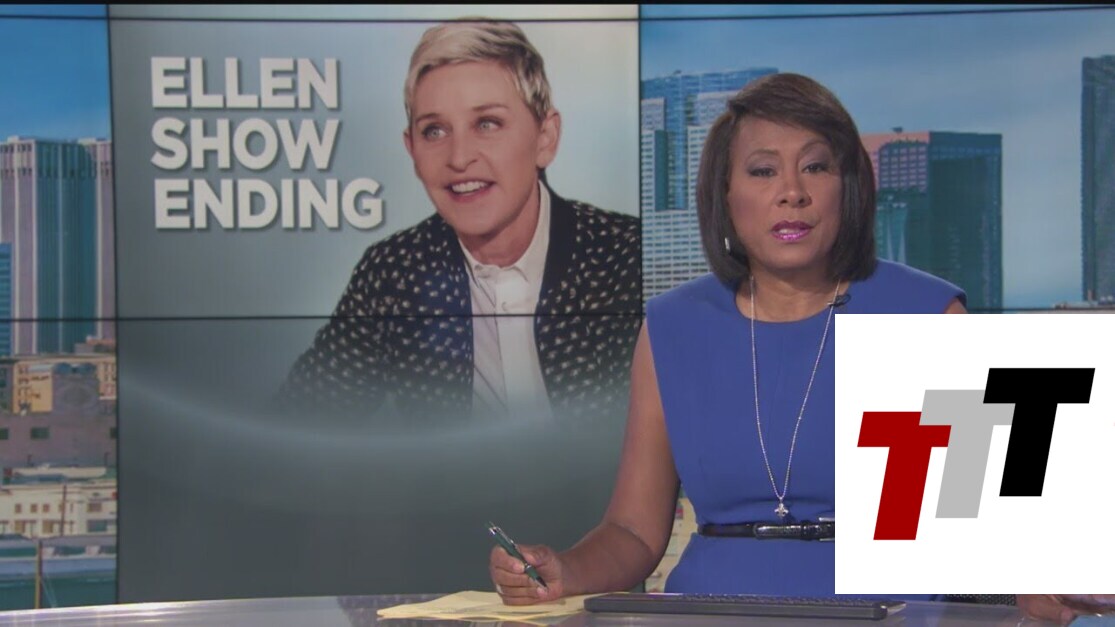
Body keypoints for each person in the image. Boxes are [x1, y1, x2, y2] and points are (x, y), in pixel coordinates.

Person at [489, 72, 966, 603]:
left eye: (815, 167)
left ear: (848, 185)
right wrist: (564, 570)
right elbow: (634, 531)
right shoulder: (674, 325)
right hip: (709, 610)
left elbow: (984, 534)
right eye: (763, 171)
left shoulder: (925, 313)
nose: (792, 193)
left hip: (881, 611)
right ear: (726, 194)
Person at [279, 20, 641, 422]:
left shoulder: (628, 258)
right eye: (434, 131)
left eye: (487, 124)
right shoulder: (394, 273)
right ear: (411, 149)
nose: (459, 157)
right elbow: (298, 423)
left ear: (545, 137)